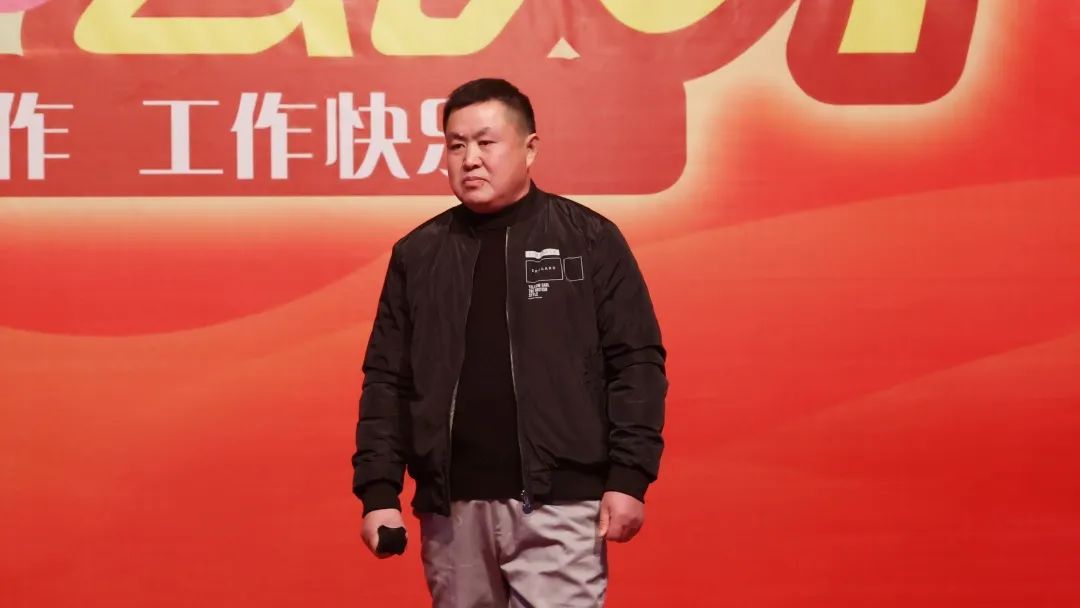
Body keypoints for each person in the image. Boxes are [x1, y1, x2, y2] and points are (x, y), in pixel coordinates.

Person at [351, 77, 667, 607]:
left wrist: (629, 476)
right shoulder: (418, 254)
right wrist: (378, 492)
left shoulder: (588, 239)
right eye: (456, 145)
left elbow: (636, 364)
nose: (470, 159)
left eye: (486, 142)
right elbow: (387, 380)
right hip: (451, 514)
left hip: (561, 506)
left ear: (530, 148)